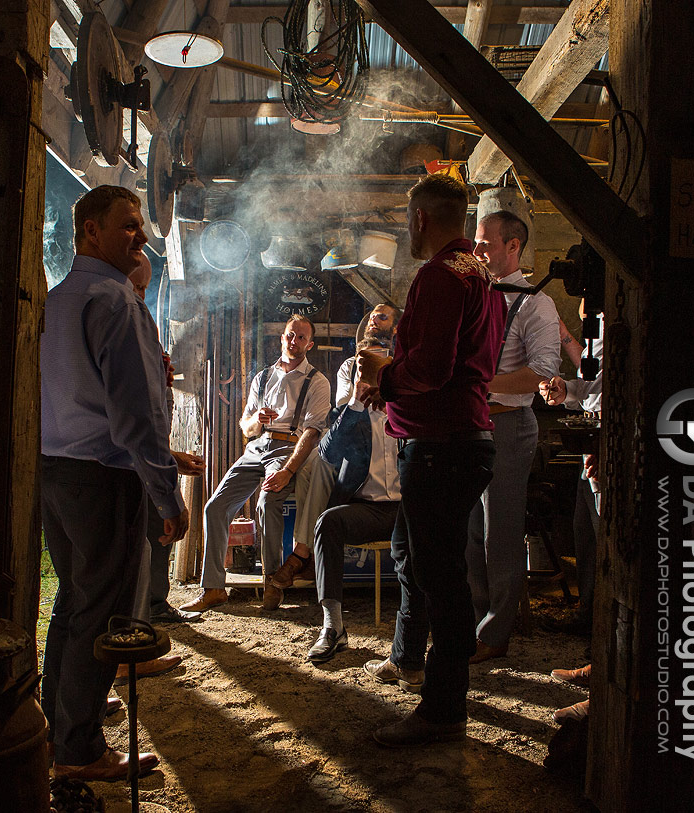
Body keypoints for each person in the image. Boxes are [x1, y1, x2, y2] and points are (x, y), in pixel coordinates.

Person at [40, 185, 200, 781]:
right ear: (89, 232)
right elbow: (137, 416)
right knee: (101, 613)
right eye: (128, 225)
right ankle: (78, 751)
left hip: (54, 471)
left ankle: (59, 721)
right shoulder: (114, 301)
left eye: (140, 226)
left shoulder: (58, 300)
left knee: (73, 603)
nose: (139, 235)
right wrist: (167, 495)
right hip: (102, 479)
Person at [356, 173, 505, 747]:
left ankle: (444, 709)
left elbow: (432, 370)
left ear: (420, 218)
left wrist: (383, 372)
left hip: (442, 445)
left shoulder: (440, 275)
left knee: (441, 577)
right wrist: (391, 386)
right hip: (463, 435)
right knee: (429, 565)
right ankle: (432, 677)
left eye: (406, 221)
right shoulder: (481, 272)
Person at [181, 315, 332, 613]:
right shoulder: (262, 377)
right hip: (256, 447)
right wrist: (256, 420)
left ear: (309, 344)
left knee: (267, 501)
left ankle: (271, 583)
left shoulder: (317, 381)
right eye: (291, 334)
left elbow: (313, 433)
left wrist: (288, 469)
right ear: (282, 337)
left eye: (301, 337)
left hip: (288, 447)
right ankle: (213, 589)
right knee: (215, 506)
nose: (294, 341)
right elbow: (246, 427)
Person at [465, 209, 561, 664]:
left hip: (508, 426)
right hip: (470, 426)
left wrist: (479, 385)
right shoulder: (476, 296)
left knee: (498, 534)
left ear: (513, 247)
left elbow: (541, 371)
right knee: (468, 531)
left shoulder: (535, 302)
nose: (477, 250)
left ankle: (496, 633)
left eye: (485, 243)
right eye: (476, 242)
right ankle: (475, 622)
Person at [273, 303, 400, 610]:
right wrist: (361, 392)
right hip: (352, 438)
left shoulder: (404, 369)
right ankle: (305, 552)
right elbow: (344, 412)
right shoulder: (350, 366)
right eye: (370, 316)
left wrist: (392, 393)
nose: (372, 320)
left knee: (320, 462)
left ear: (396, 328)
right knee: (316, 462)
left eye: (381, 317)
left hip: (393, 480)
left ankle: (303, 552)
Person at [303, 340, 402, 662]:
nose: (367, 371)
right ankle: (333, 627)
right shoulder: (351, 412)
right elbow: (329, 453)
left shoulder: (407, 406)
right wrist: (356, 405)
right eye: (361, 367)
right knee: (329, 522)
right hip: (368, 509)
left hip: (408, 507)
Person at [126, 256, 203, 627]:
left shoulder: (141, 321)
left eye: (144, 288)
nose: (139, 294)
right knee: (137, 540)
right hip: (125, 460)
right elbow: (128, 417)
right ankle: (135, 622)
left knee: (156, 531)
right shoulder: (118, 317)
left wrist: (163, 375)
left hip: (146, 453)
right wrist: (167, 458)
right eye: (135, 285)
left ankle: (155, 604)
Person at [539, 303, 604, 635]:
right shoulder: (599, 326)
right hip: (593, 441)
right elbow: (594, 382)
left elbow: (613, 391)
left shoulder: (623, 320)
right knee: (585, 535)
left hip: (606, 443)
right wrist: (566, 389)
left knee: (605, 539)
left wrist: (605, 442)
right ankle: (590, 614)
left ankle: (604, 624)